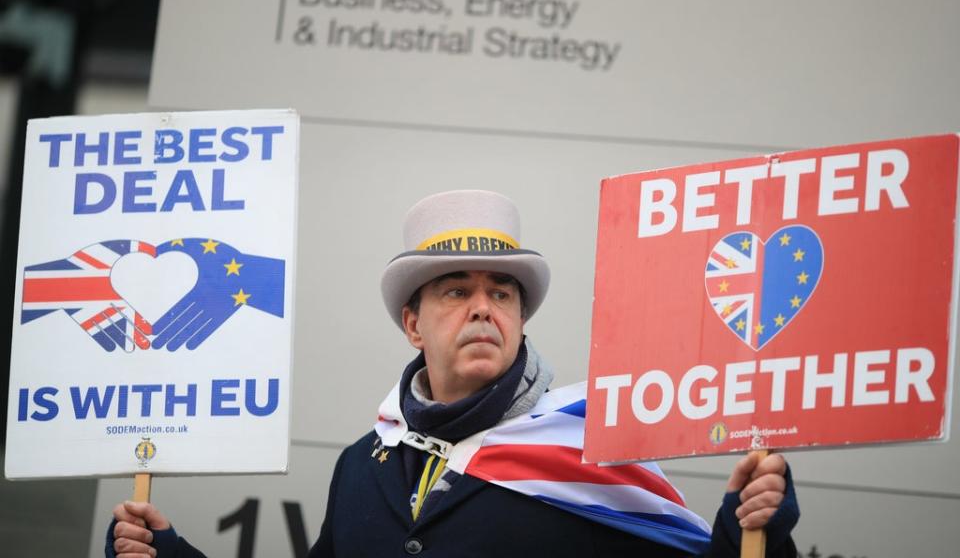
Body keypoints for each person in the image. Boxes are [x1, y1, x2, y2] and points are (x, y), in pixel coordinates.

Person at [108, 190, 799, 557]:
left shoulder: (590, 453)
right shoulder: (362, 464)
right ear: (413, 324)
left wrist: (750, 532)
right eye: (454, 292)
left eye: (501, 293)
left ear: (521, 321)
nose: (481, 309)